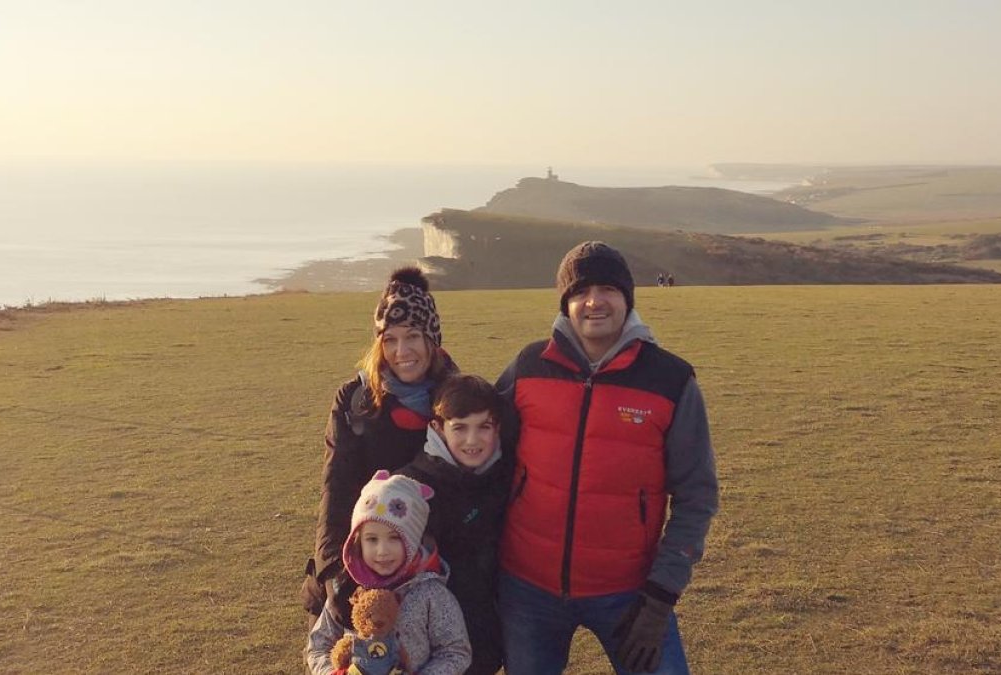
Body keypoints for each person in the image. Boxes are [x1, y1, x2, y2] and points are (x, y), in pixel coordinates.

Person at [495, 241, 718, 674]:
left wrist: (660, 598)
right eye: (580, 292)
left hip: (629, 593)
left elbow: (697, 496)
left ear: (627, 298)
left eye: (608, 289)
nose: (594, 301)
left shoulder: (670, 379)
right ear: (566, 303)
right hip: (527, 590)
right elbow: (470, 445)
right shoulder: (528, 366)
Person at [302, 267, 457, 630]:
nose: (401, 352)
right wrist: (334, 578)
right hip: (359, 561)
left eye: (413, 336)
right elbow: (336, 489)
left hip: (432, 576)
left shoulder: (457, 399)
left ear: (432, 339)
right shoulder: (355, 400)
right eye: (390, 339)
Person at [306, 471, 472, 675]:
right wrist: (333, 673)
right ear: (358, 542)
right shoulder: (346, 589)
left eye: (394, 538)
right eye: (372, 539)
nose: (382, 550)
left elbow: (455, 651)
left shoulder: (430, 593)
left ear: (411, 542)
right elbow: (318, 645)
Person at [399, 374, 510, 675]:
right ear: (437, 428)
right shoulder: (411, 489)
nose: (472, 441)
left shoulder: (505, 477)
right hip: (428, 650)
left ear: (497, 428)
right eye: (459, 428)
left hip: (485, 641)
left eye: (483, 427)